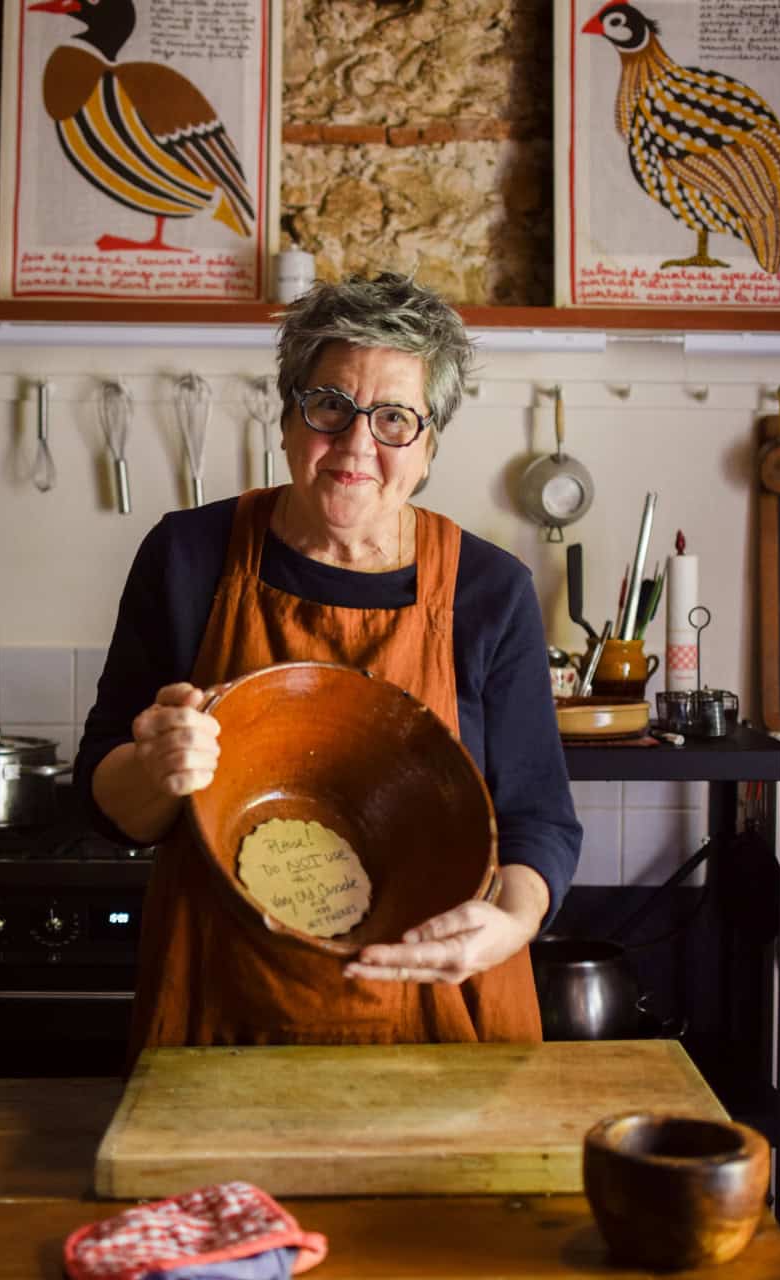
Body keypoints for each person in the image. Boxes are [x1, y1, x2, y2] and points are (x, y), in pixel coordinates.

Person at [74, 271, 582, 1061]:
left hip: (438, 1004)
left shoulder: (488, 589)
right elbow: (111, 806)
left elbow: (537, 819)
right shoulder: (188, 557)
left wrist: (510, 924)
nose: (355, 444)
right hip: (223, 1003)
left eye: (393, 418)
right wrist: (156, 767)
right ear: (285, 419)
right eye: (329, 406)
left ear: (428, 447)